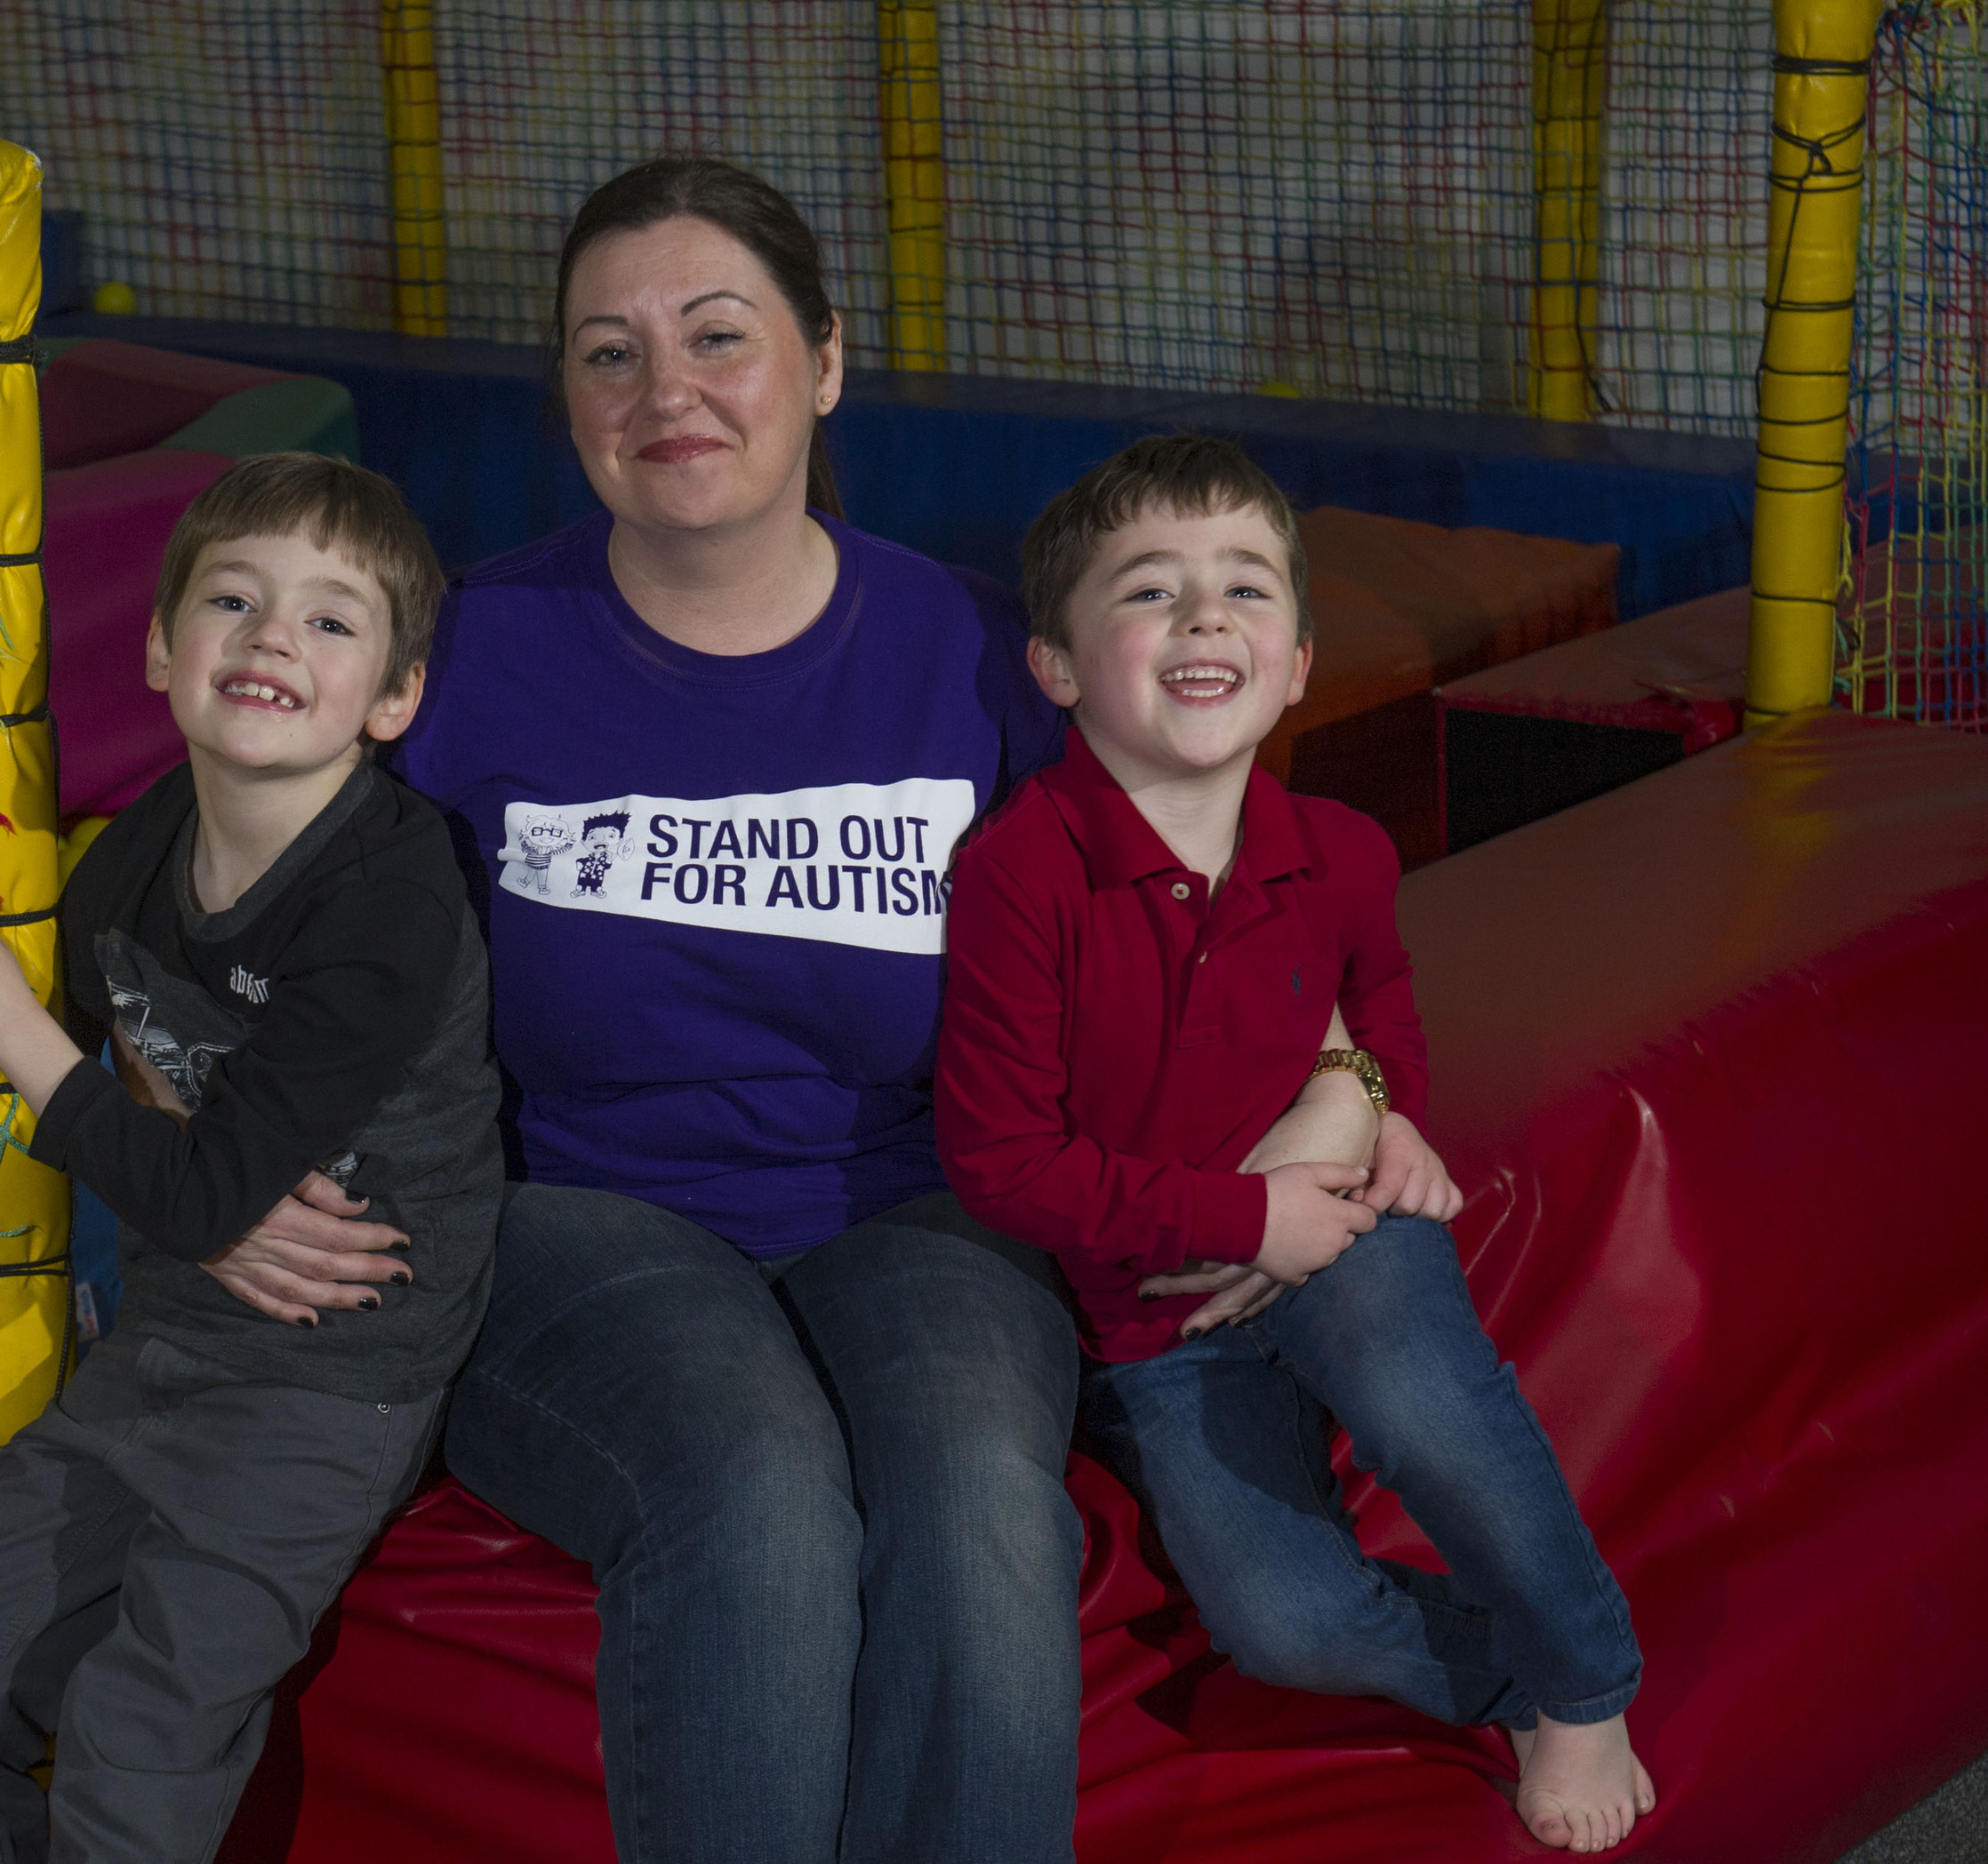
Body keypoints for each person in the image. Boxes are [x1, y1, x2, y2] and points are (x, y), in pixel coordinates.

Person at [368, 156, 1367, 1863]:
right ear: (567, 399)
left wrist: (1339, 1086)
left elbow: (1226, 892)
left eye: (716, 336)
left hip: (924, 1195)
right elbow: (229, 914)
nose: (665, 390)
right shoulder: (462, 659)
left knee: (982, 1489)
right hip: (574, 1209)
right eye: (608, 352)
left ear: (824, 363)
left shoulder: (976, 659)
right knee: (751, 1486)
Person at [934, 431, 1653, 1854]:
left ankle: (1586, 1681)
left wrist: (1386, 1114)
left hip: (1343, 1233)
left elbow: (1384, 1007)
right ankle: (1499, 1672)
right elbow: (1001, 1160)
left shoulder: (1341, 849)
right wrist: (1240, 1221)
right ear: (1059, 668)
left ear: (1301, 661)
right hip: (1160, 1313)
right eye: (1151, 591)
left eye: (1246, 590)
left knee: (1427, 1396)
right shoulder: (1020, 876)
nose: (1206, 618)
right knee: (1284, 1621)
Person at [0, 452, 503, 1863]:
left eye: (332, 621)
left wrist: (14, 1023)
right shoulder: (142, 851)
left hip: (328, 1387)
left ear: (392, 701)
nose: (274, 636)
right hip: (160, 1351)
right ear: (160, 648)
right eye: (233, 598)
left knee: (139, 1745)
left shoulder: (392, 897)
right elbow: (89, 1127)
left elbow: (194, 1182)